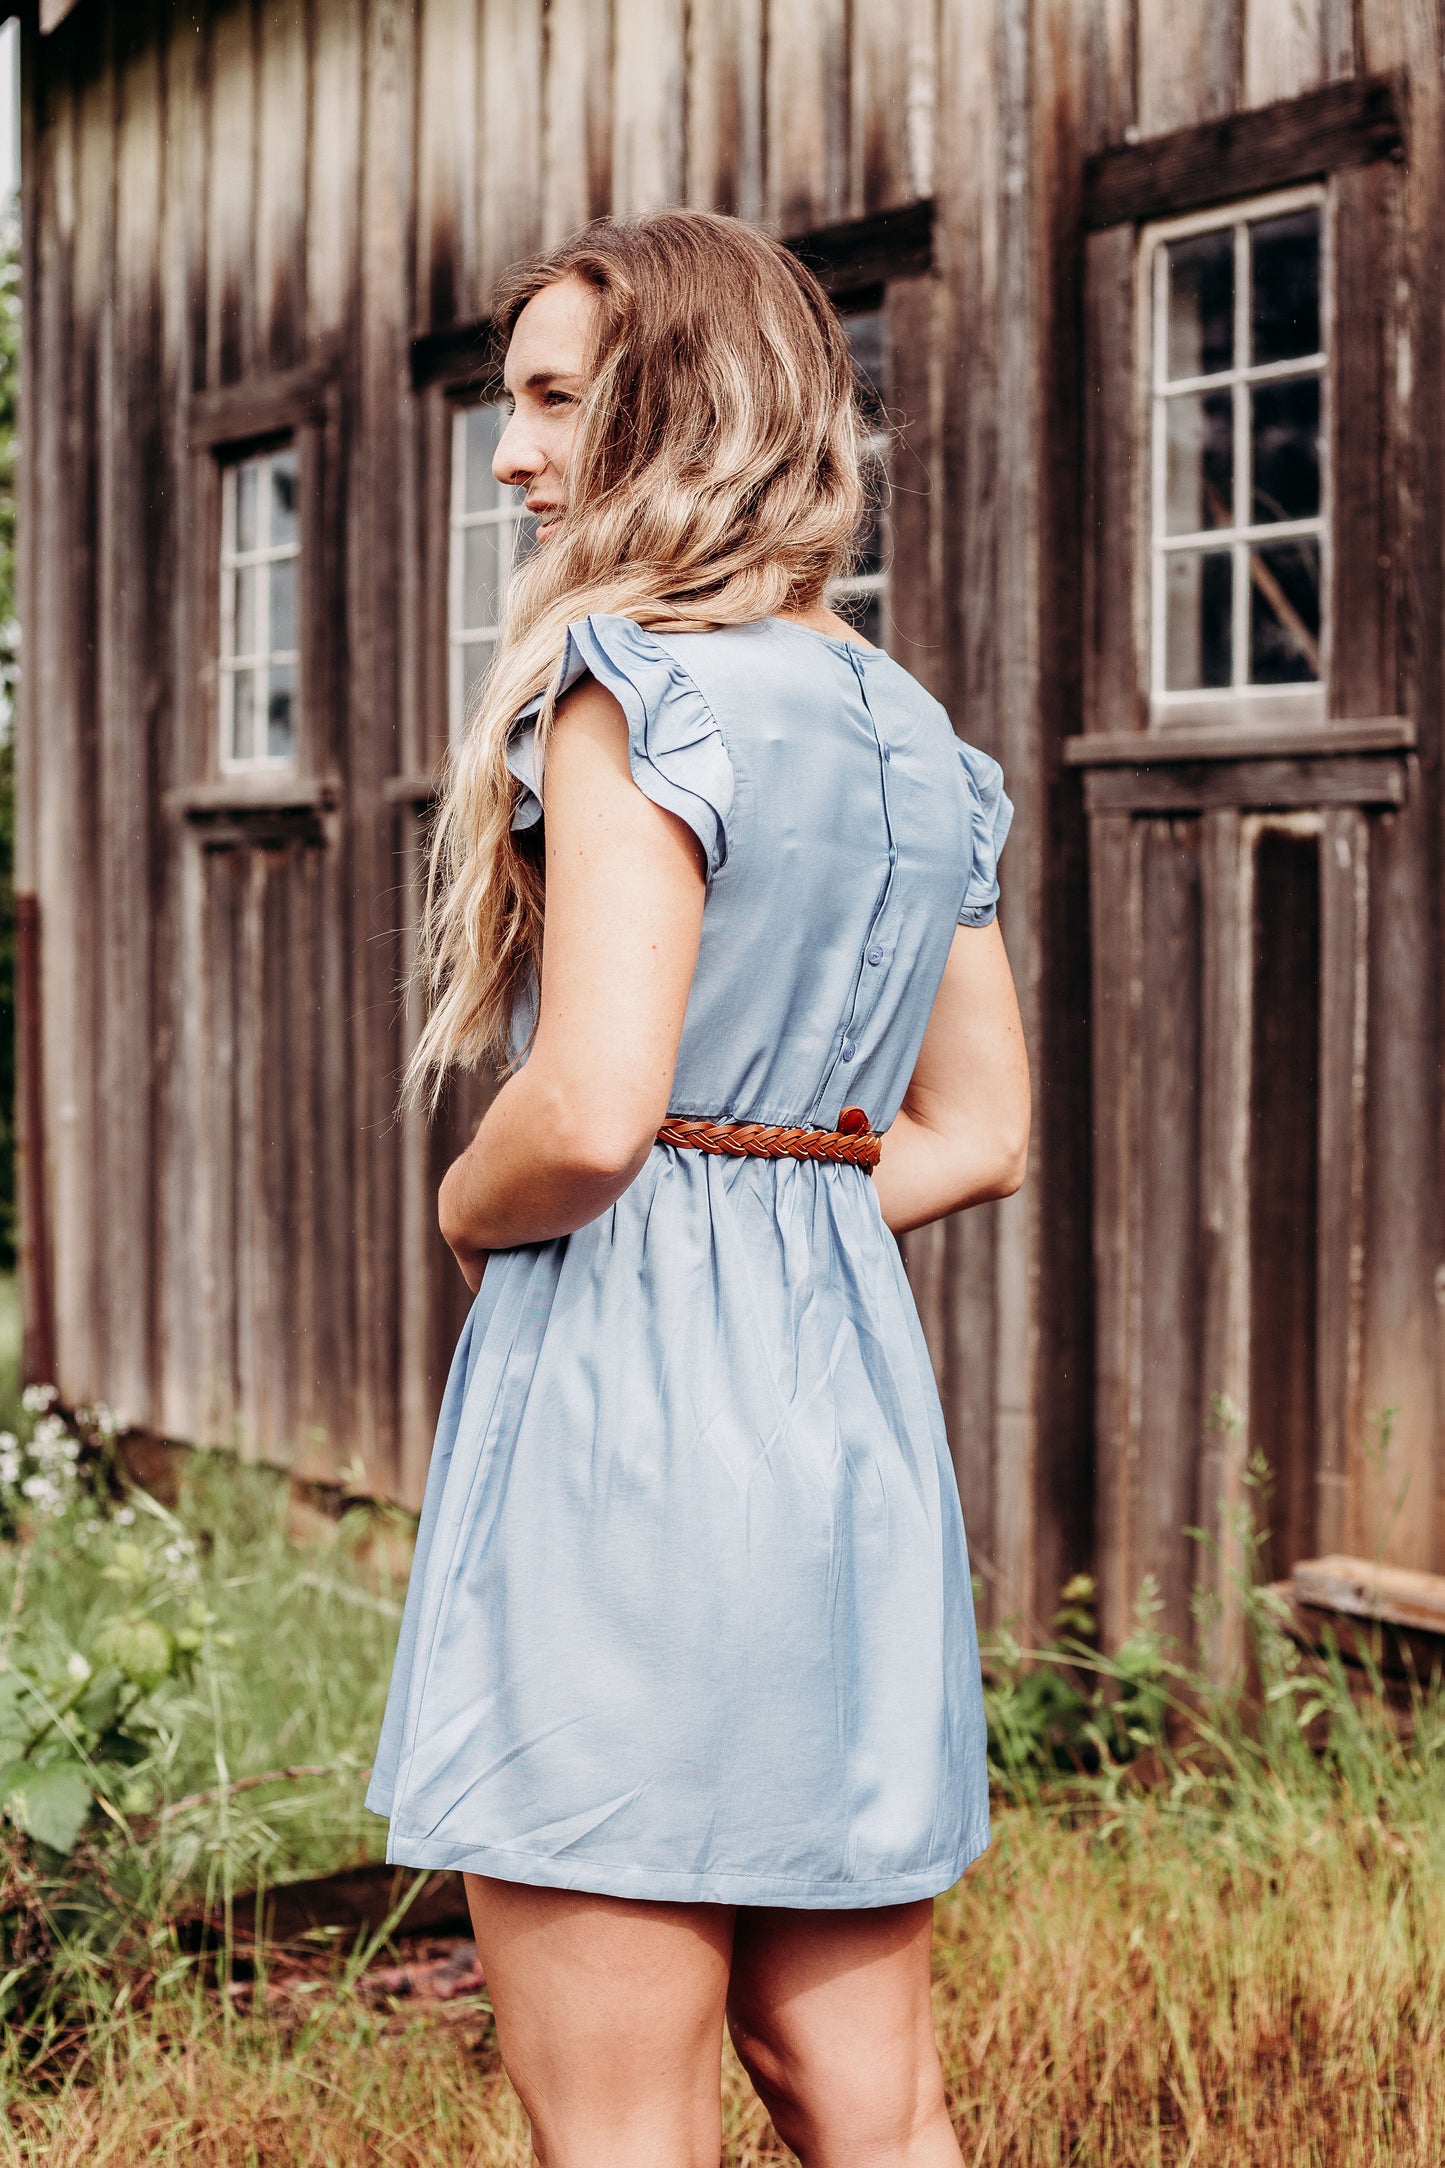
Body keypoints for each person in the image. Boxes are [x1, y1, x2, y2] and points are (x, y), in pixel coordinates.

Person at [367, 210, 1030, 2168]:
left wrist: (467, 1208)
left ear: (690, 407)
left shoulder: (629, 688)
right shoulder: (914, 735)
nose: (510, 454)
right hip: (844, 1445)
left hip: (631, 1460)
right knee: (876, 2106)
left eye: (557, 399)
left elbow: (586, 1112)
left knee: (620, 2127)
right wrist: (782, 1223)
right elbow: (981, 1128)